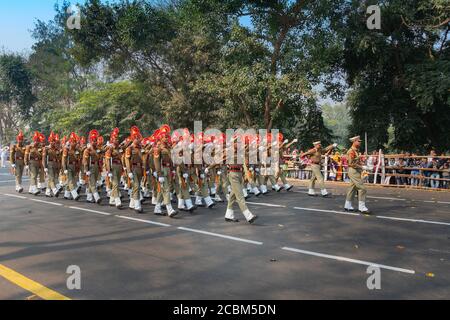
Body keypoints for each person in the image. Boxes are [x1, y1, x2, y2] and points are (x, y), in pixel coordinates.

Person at [344, 136, 370, 214]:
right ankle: (362, 207)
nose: (360, 142)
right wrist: (362, 166)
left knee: (352, 188)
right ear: (354, 141)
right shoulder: (351, 151)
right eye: (358, 141)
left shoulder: (356, 150)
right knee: (362, 188)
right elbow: (351, 163)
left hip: (356, 170)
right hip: (353, 171)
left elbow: (356, 161)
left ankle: (347, 205)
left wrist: (364, 165)